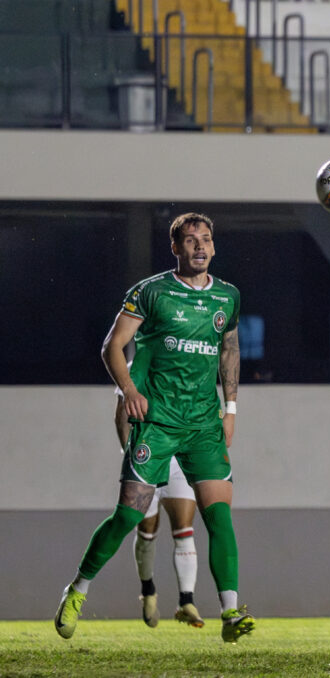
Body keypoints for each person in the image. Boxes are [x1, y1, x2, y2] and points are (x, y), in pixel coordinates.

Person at [54, 212, 253, 643]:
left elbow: (229, 349)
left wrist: (231, 408)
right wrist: (128, 390)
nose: (199, 246)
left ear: (214, 247)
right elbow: (113, 345)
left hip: (202, 424)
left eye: (205, 239)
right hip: (157, 422)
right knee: (127, 516)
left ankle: (231, 612)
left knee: (219, 517)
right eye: (189, 240)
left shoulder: (228, 297)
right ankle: (77, 589)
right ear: (176, 248)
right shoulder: (151, 291)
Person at [115, 390, 204, 629]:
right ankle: (148, 590)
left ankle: (187, 601)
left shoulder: (187, 358)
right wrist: (129, 455)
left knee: (184, 528)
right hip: (146, 458)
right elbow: (121, 415)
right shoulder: (137, 365)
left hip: (178, 460)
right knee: (147, 528)